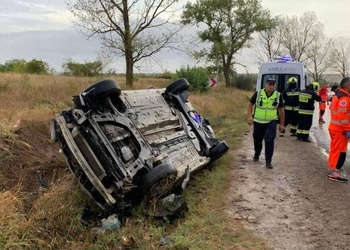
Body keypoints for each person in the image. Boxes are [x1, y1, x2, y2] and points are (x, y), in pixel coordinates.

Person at [247, 77, 285, 169]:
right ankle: (257, 153)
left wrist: (281, 124)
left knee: (269, 140)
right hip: (258, 121)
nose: (271, 86)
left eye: (273, 84)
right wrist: (249, 116)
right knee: (257, 139)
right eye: (270, 84)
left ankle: (268, 161)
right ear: (266, 84)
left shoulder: (278, 95)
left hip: (271, 121)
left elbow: (281, 110)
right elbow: (249, 104)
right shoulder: (259, 93)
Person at [327, 77, 350, 182]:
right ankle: (333, 172)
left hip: (336, 128)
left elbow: (333, 109)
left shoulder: (339, 95)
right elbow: (342, 115)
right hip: (340, 130)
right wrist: (348, 129)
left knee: (337, 150)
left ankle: (334, 169)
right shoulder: (344, 98)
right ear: (347, 85)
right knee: (336, 150)